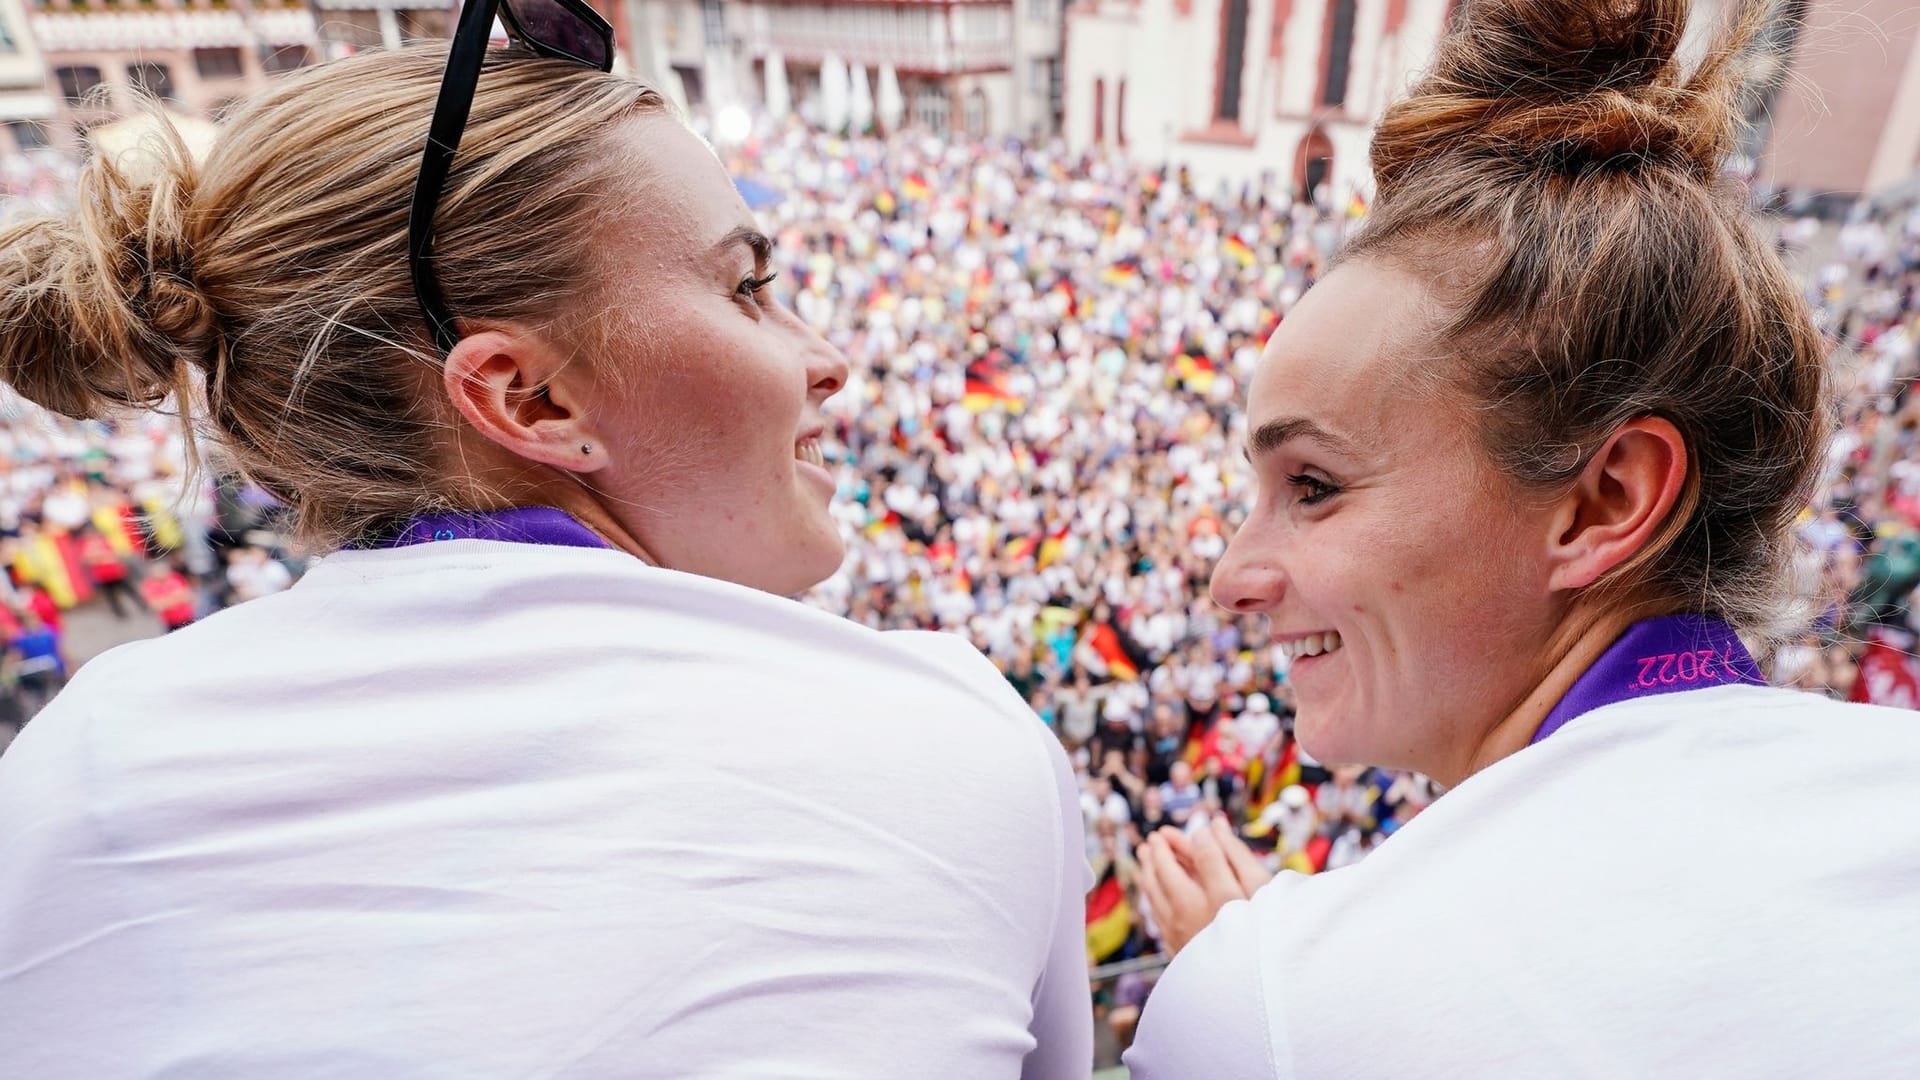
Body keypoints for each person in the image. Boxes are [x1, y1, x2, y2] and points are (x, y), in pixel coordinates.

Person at [0, 35, 1089, 1080]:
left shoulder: (66, 769)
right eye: (748, 288)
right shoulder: (947, 738)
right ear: (531, 399)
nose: (828, 358)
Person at [1124, 0, 1920, 1075]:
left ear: (1605, 503)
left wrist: (1271, 998)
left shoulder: (1285, 1006)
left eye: (1312, 485)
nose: (1231, 579)